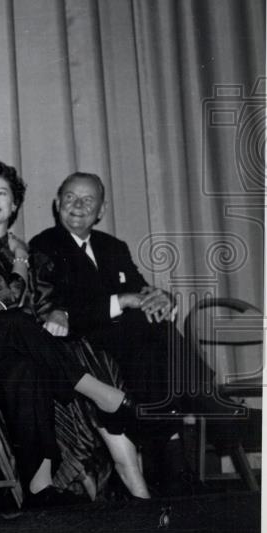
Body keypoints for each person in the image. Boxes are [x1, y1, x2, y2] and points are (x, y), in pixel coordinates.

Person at [0, 159, 148, 505]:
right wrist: (19, 265)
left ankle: (40, 489)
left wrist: (57, 313)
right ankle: (102, 395)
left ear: (16, 203)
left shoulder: (35, 252)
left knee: (28, 370)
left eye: (2, 193)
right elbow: (7, 300)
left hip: (21, 353)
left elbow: (46, 302)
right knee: (16, 322)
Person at [29, 172, 226, 494]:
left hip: (131, 342)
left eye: (87, 200)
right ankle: (205, 404)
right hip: (85, 342)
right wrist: (123, 300)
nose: (78, 206)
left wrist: (163, 299)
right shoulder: (44, 246)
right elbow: (59, 309)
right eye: (70, 198)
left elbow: (141, 290)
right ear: (56, 204)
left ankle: (176, 461)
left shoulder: (113, 246)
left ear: (101, 210)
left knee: (155, 326)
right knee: (149, 331)